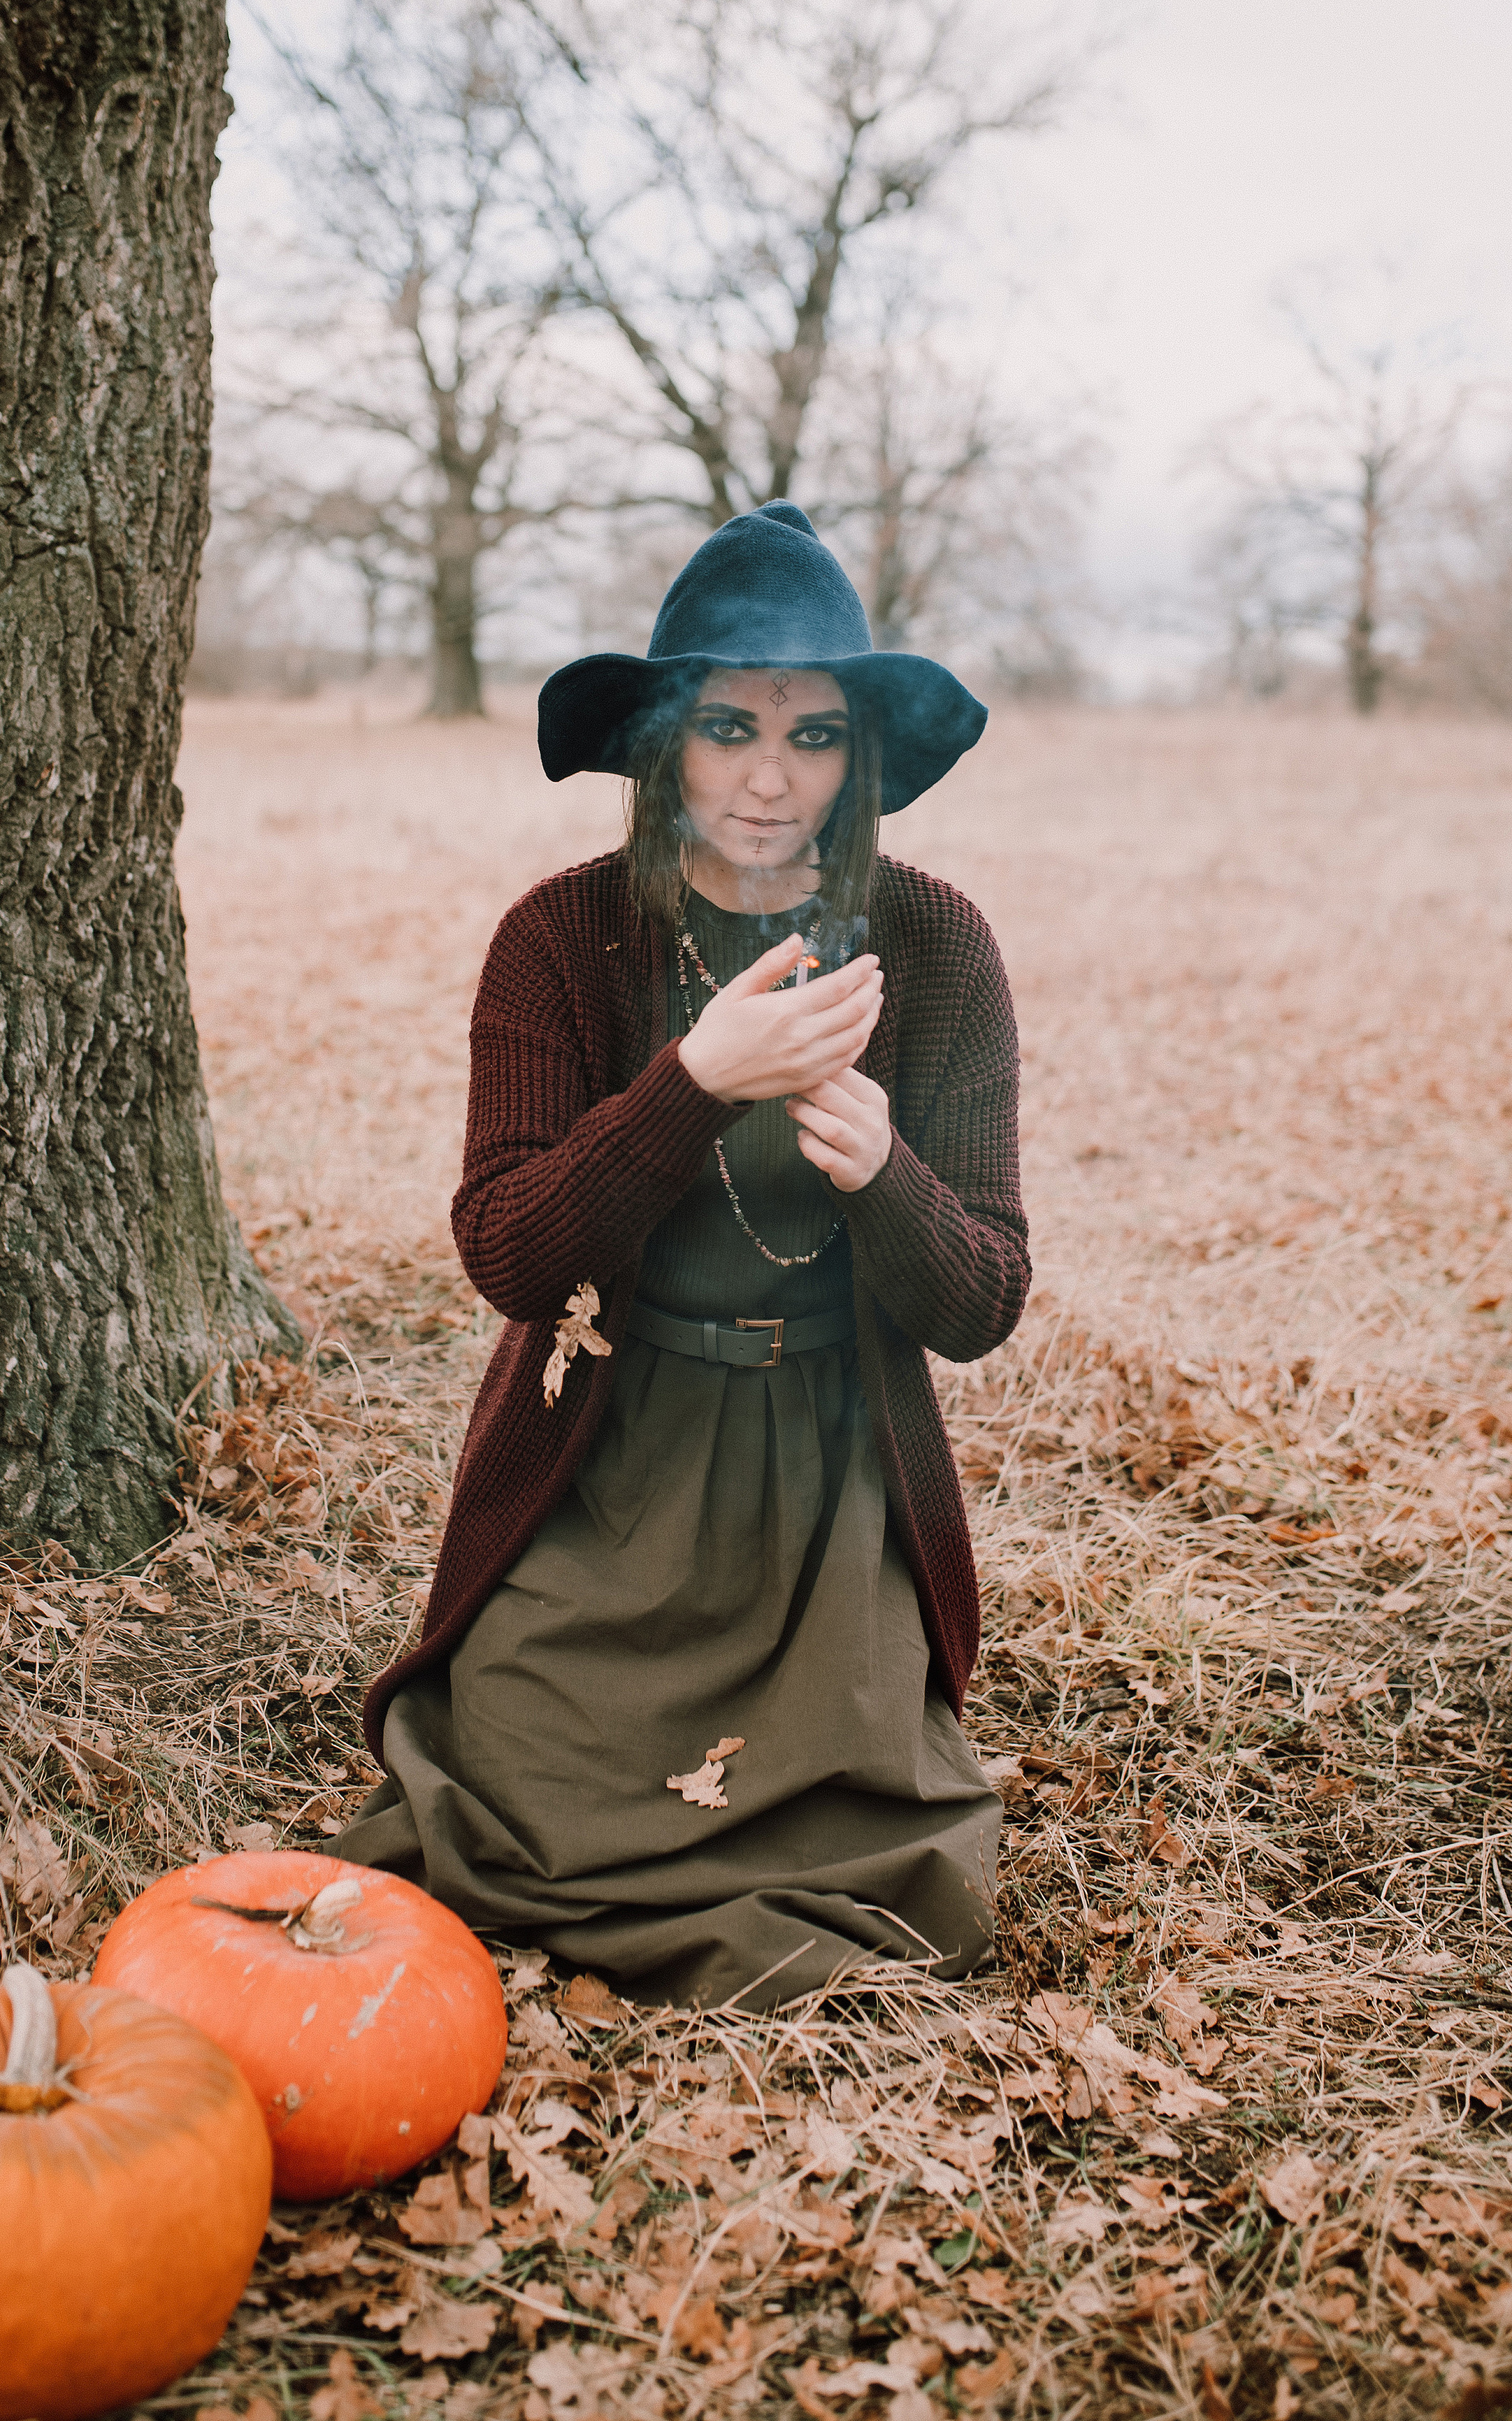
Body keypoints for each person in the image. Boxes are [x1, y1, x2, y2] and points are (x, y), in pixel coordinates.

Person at [334, 501, 1030, 2007]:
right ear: (662, 744)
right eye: (727, 727)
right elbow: (508, 1252)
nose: (770, 778)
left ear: (860, 756)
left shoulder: (937, 945)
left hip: (826, 1491)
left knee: (894, 1861)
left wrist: (881, 1176)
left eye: (813, 734)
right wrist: (690, 1082)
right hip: (611, 1463)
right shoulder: (560, 939)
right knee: (503, 1792)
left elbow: (979, 1301)